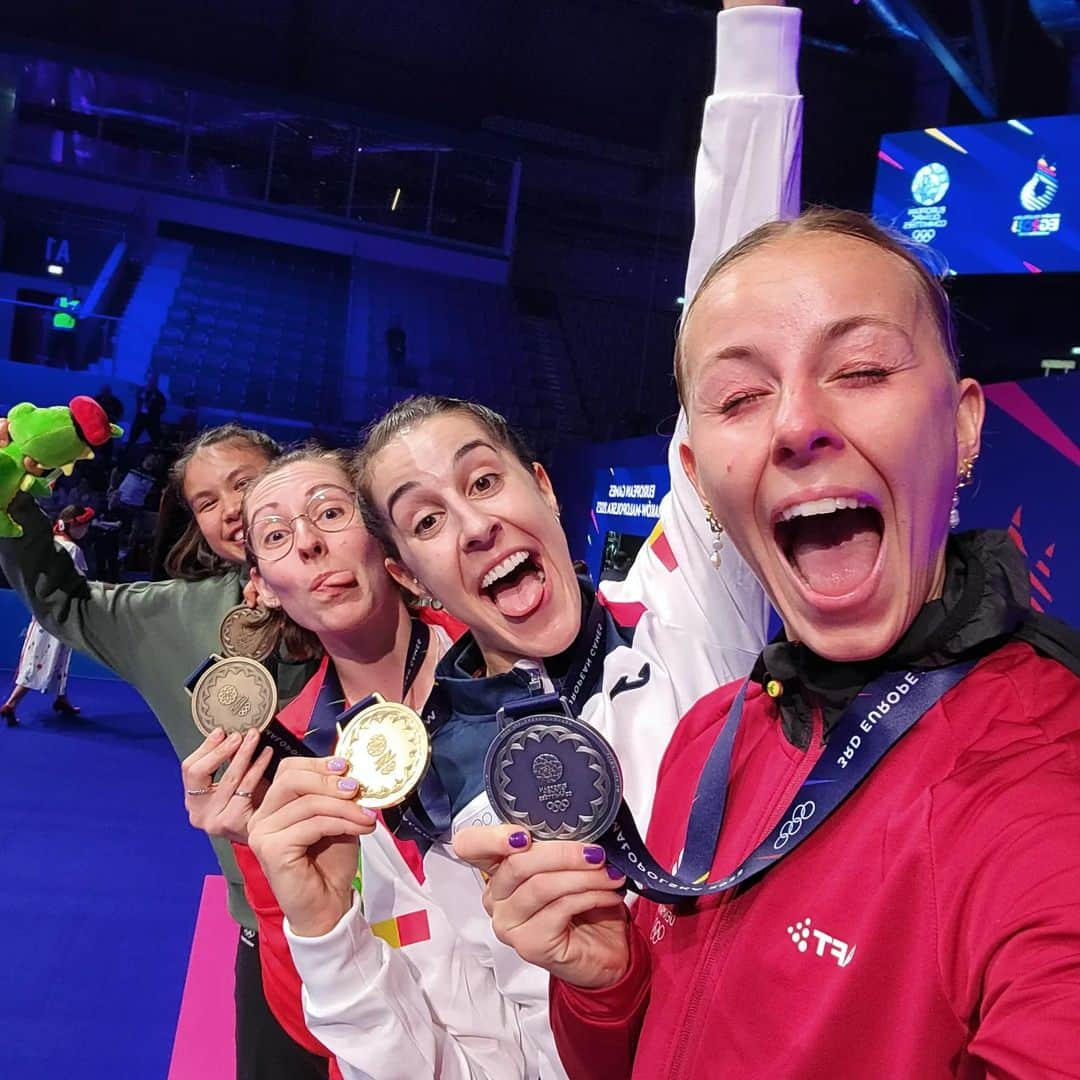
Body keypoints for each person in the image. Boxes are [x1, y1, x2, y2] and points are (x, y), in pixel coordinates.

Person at [248, 4, 802, 1076]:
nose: (476, 522)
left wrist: (758, 32)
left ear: (544, 491)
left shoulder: (689, 602)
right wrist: (315, 929)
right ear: (412, 573)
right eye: (425, 519)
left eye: (486, 479)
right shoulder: (418, 779)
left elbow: (739, 311)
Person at [459, 209, 1080, 1079]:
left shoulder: (1043, 778)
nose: (795, 424)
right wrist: (608, 983)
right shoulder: (713, 733)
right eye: (740, 398)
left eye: (860, 369)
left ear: (964, 425)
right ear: (700, 479)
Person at [0, 421, 322, 1079]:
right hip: (271, 934)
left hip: (408, 921)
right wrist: (14, 504)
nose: (230, 508)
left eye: (246, 482)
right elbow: (67, 603)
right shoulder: (172, 615)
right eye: (206, 502)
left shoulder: (380, 599)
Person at [181, 446, 464, 1079]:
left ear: (381, 534)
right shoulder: (285, 761)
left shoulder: (504, 655)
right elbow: (307, 1016)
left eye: (330, 512)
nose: (308, 543)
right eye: (276, 535)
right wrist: (259, 859)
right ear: (262, 588)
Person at [1, 504, 93, 726]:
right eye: (85, 525)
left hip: (42, 607)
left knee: (58, 656)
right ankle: (11, 703)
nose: (87, 529)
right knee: (41, 658)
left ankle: (61, 698)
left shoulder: (50, 544)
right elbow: (80, 583)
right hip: (60, 612)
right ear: (74, 526)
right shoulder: (73, 550)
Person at [128, 368, 166, 446]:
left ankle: (158, 451)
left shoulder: (159, 395)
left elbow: (162, 408)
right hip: (141, 417)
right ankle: (127, 451)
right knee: (132, 437)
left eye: (153, 380)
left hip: (152, 419)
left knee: (157, 438)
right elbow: (138, 401)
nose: (151, 382)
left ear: (156, 382)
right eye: (150, 380)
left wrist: (155, 412)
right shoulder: (141, 390)